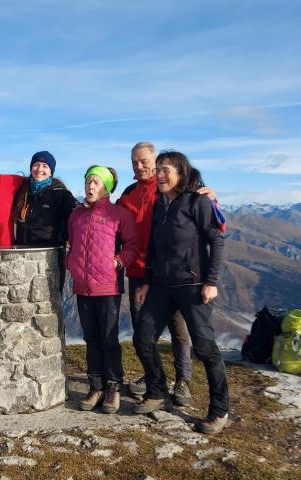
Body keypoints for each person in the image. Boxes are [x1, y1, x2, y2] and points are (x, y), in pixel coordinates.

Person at [133, 151, 229, 434]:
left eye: (166, 170)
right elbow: (153, 247)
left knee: (205, 347)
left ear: (181, 174)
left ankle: (219, 410)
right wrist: (148, 281)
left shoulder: (197, 201)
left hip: (192, 285)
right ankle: (158, 390)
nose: (160, 174)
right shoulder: (159, 206)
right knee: (143, 337)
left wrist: (210, 281)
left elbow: (217, 240)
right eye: (158, 169)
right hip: (161, 285)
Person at [118, 142, 194, 406]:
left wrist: (210, 195)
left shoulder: (169, 190)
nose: (139, 167)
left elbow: (196, 207)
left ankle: (183, 380)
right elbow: (112, 221)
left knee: (177, 328)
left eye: (143, 161)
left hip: (168, 272)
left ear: (155, 161)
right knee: (143, 331)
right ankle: (153, 378)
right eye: (134, 163)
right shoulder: (128, 193)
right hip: (138, 272)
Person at [67, 166, 137, 414]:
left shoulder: (119, 215)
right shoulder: (76, 216)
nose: (90, 186)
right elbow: (72, 243)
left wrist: (117, 262)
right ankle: (95, 386)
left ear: (106, 187)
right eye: (88, 181)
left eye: (96, 182)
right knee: (90, 337)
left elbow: (132, 245)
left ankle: (112, 387)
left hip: (107, 286)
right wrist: (71, 263)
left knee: (108, 338)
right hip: (82, 286)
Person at [12, 151, 78, 289]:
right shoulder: (22, 190)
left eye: (45, 166)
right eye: (36, 164)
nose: (40, 169)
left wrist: (64, 238)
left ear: (51, 171)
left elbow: (78, 214)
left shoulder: (60, 193)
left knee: (51, 300)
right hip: (22, 255)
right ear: (31, 167)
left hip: (50, 257)